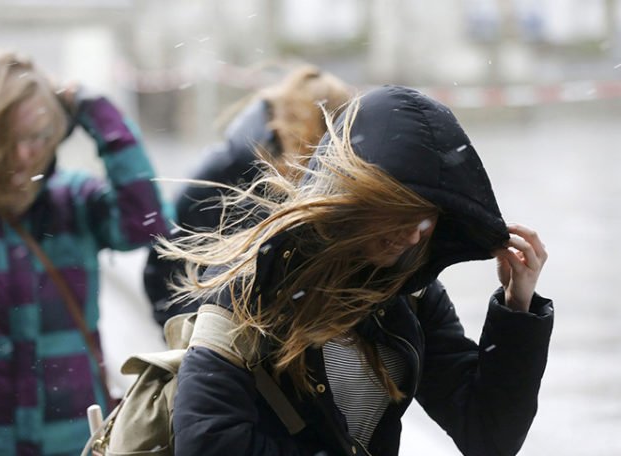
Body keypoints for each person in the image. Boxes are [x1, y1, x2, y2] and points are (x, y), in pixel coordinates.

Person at [155, 85, 554, 456]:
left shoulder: (412, 295)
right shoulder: (252, 289)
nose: (413, 237)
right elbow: (206, 443)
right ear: (353, 200)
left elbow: (487, 435)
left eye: (427, 218)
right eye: (399, 214)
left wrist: (516, 309)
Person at [0, 49, 168, 455]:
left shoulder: (74, 201)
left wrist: (103, 118)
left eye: (38, 137)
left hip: (73, 436)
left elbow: (145, 223)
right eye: (11, 139)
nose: (26, 154)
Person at [143, 65, 351, 326]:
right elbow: (165, 263)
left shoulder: (332, 183)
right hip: (219, 342)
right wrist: (201, 336)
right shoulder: (225, 173)